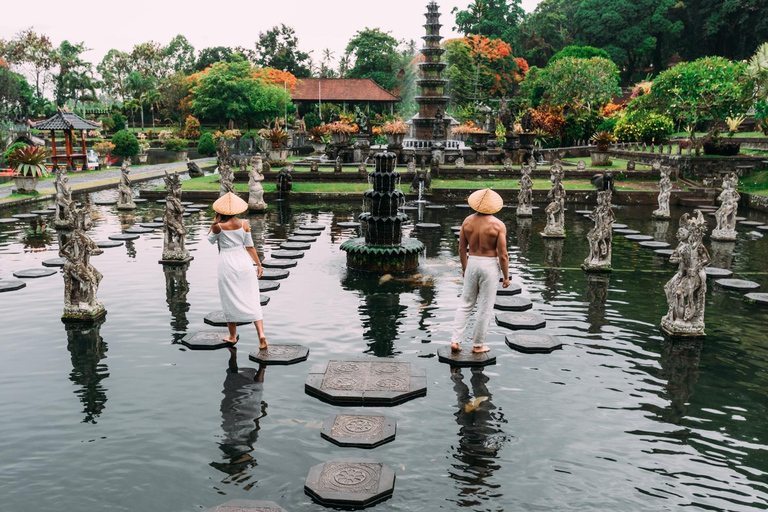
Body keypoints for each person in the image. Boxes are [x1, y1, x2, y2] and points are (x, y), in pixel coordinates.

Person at [451, 189, 510, 354]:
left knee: (465, 303)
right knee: (485, 306)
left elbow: (462, 249)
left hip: (472, 262)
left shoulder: (467, 222)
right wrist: (506, 277)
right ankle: (478, 345)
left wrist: (465, 268)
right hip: (489, 265)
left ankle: (455, 340)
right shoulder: (498, 225)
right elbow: (503, 255)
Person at [207, 192, 267, 348]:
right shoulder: (244, 223)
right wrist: (259, 265)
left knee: (229, 297)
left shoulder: (218, 226)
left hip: (227, 264)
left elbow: (210, 241)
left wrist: (214, 222)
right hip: (244, 262)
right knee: (253, 297)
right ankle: (261, 334)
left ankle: (233, 336)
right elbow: (250, 246)